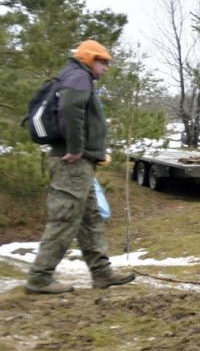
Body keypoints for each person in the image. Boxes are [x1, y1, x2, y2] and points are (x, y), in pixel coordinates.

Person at [25, 40, 136, 294]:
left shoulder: (77, 77)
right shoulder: (78, 76)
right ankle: (39, 277)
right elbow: (70, 111)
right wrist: (76, 148)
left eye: (108, 63)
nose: (107, 67)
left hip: (81, 163)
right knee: (65, 217)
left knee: (90, 219)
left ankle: (102, 273)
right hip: (72, 161)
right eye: (103, 61)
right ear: (89, 59)